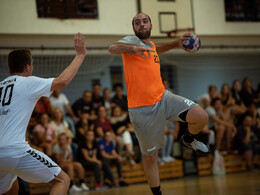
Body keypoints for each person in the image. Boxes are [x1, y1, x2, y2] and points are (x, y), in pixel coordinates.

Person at [108, 13, 209, 194]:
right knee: (151, 157)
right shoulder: (131, 42)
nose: (141, 24)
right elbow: (112, 48)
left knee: (201, 116)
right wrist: (133, 48)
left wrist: (176, 44)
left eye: (144, 21)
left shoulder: (151, 45)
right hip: (141, 111)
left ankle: (188, 138)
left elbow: (156, 48)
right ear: (134, 28)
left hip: (164, 98)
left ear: (151, 25)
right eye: (137, 23)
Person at [0, 32, 86, 195]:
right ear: (28, 67)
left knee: (11, 189)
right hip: (14, 150)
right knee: (63, 180)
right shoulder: (26, 82)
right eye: (32, 65)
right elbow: (62, 81)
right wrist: (80, 55)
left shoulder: (1, 86)